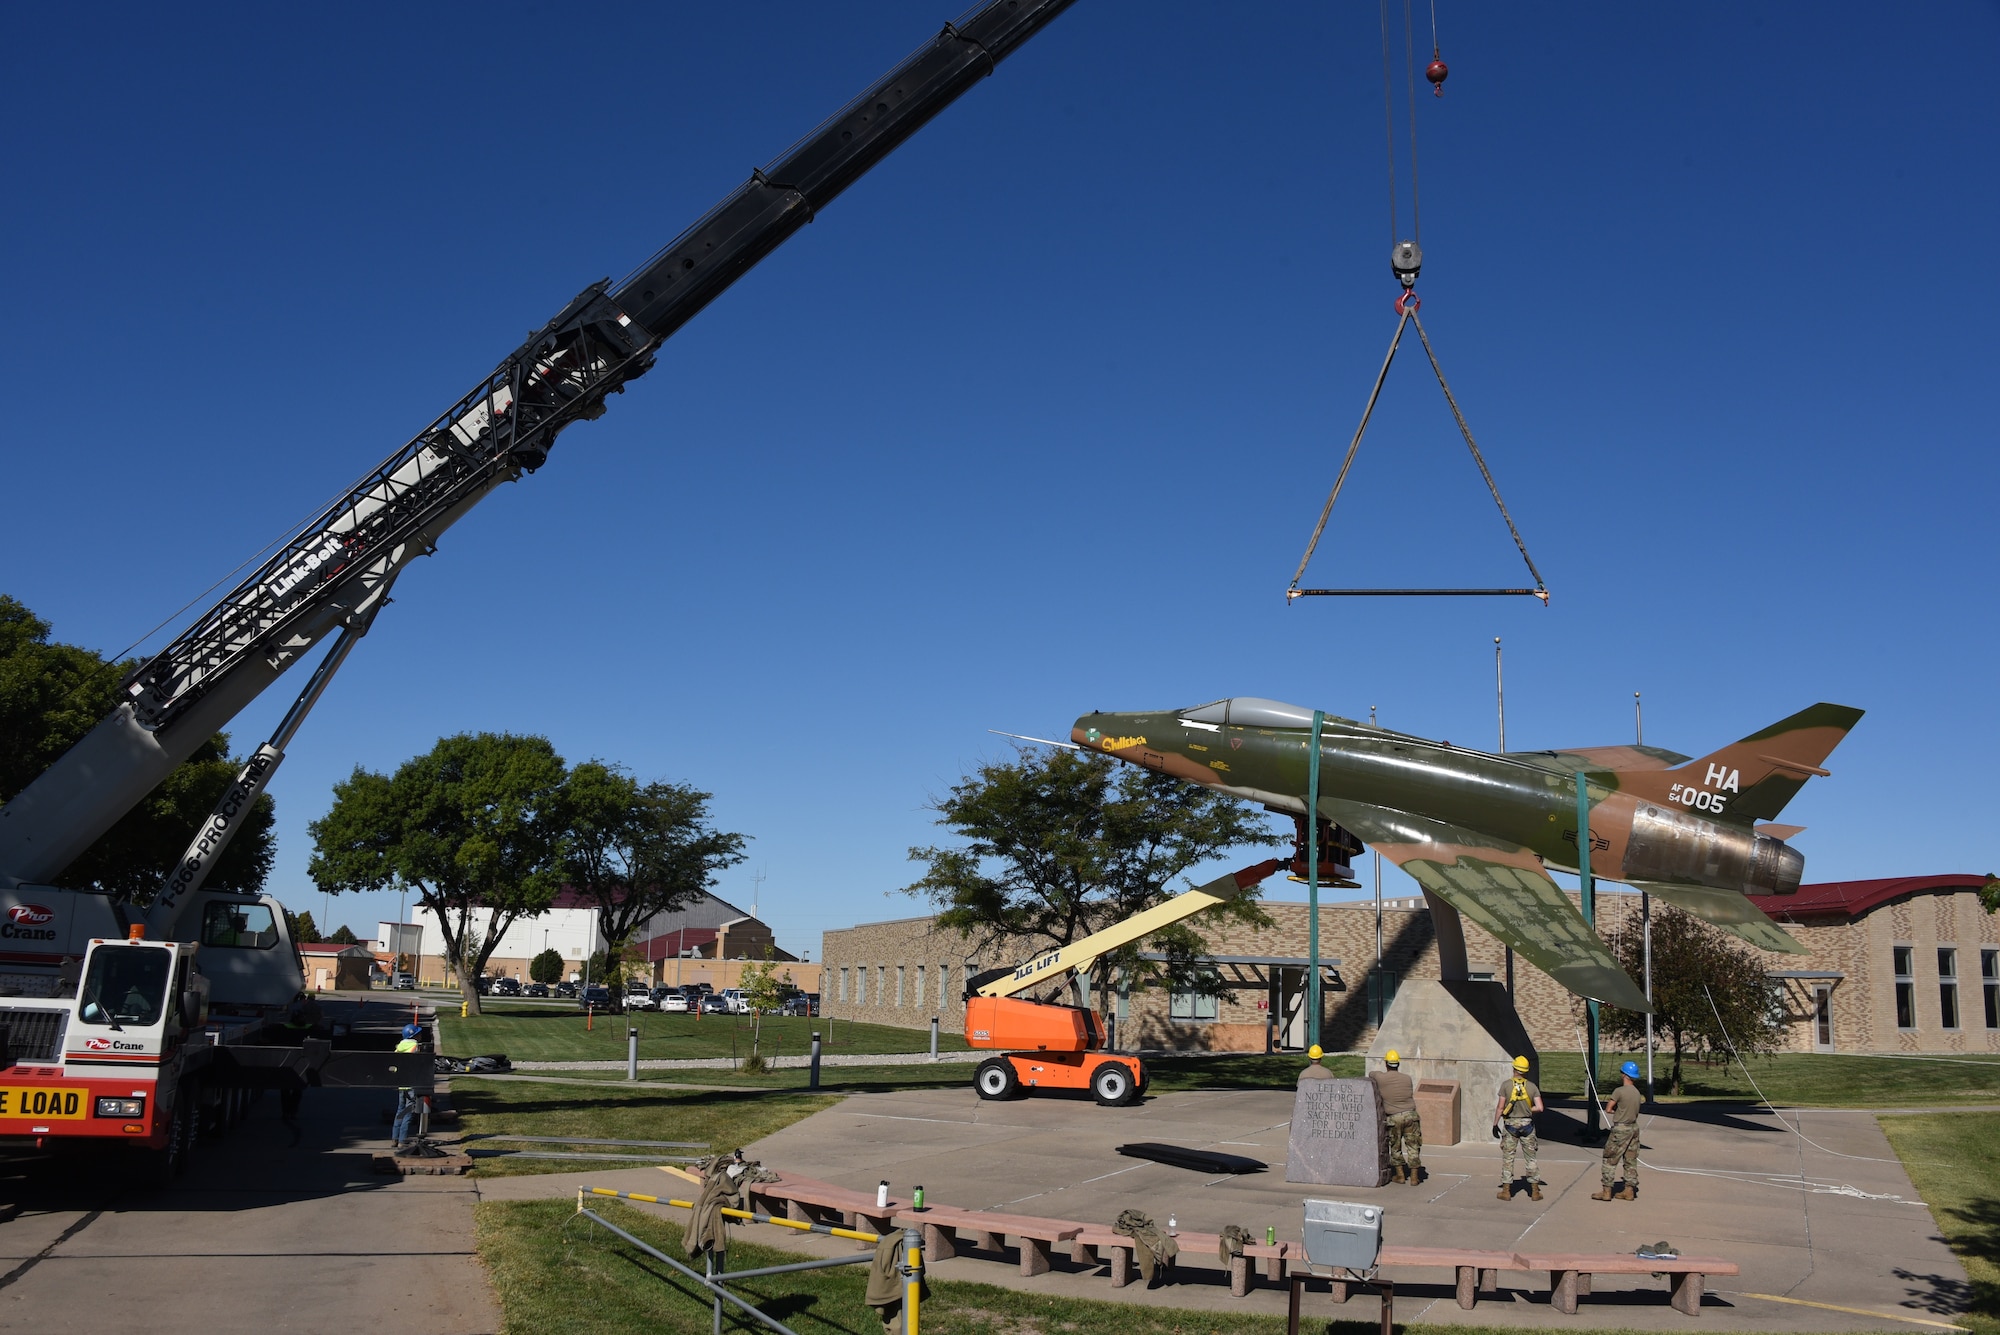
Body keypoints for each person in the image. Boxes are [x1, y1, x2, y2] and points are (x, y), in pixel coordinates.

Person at [1492, 1055, 1544, 1201]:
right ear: (1526, 1070)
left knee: (1508, 1158)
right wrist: (1528, 1110)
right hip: (1527, 1125)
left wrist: (1495, 1123)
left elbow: (1500, 1107)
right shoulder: (1532, 1087)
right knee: (1531, 1158)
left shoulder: (1506, 1085)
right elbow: (1540, 1107)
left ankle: (1506, 1191)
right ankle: (1534, 1191)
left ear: (1514, 1068)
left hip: (1510, 1126)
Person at [1593, 1060, 1644, 1201]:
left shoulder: (1619, 1091)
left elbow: (1609, 1109)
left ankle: (1606, 1191)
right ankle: (1629, 1191)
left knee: (1610, 1159)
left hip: (1620, 1129)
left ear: (1624, 1075)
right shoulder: (1637, 1093)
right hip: (1633, 1128)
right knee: (1630, 1160)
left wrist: (1617, 1110)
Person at [1369, 1049, 1422, 1185]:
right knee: (1413, 1146)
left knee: (1395, 1147)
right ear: (1398, 1064)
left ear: (1386, 1063)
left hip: (1394, 1117)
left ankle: (1400, 1176)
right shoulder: (1407, 1078)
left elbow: (1371, 1074)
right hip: (1411, 1115)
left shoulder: (1381, 1078)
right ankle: (1415, 1177)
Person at [391, 1023, 424, 1151]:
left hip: (401, 1083)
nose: (421, 1035)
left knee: (400, 1111)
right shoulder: (415, 1046)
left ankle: (394, 1138)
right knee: (408, 1112)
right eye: (419, 1033)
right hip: (411, 1083)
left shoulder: (399, 1046)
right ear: (414, 1035)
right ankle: (402, 1140)